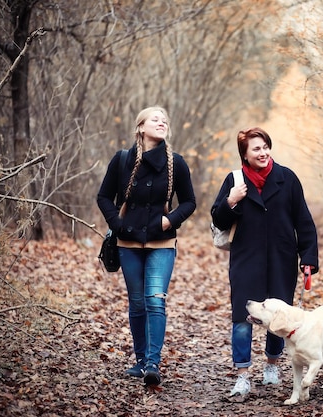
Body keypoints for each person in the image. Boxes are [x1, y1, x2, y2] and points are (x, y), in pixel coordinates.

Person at [210, 127, 319, 396]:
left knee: (278, 317)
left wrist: (308, 258)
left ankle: (271, 364)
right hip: (246, 260)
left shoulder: (287, 178)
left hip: (281, 259)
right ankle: (243, 375)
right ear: (244, 155)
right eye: (256, 148)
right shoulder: (234, 181)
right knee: (242, 318)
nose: (263, 152)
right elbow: (217, 219)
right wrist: (230, 201)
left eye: (266, 147)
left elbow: (303, 221)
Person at [97, 106, 196, 386]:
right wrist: (117, 225)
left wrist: (169, 221)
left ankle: (153, 362)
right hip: (127, 241)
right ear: (140, 127)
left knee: (155, 299)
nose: (161, 122)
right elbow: (104, 196)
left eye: (164, 120)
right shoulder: (122, 160)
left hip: (161, 242)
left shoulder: (176, 163)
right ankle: (140, 361)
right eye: (155, 119)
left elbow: (190, 202)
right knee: (137, 303)